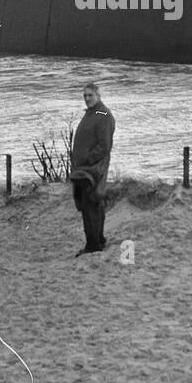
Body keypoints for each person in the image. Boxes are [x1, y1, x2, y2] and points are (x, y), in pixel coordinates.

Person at [70, 82, 115, 255]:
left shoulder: (102, 113)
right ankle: (98, 240)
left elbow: (105, 145)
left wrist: (88, 158)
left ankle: (93, 245)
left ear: (98, 95)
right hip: (85, 168)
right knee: (91, 205)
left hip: (93, 169)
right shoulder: (92, 113)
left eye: (90, 95)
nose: (87, 99)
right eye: (85, 96)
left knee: (91, 206)